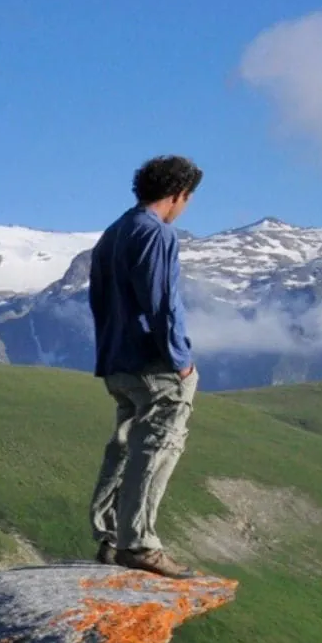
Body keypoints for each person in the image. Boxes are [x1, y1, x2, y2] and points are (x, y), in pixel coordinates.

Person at [87, 155, 203, 579]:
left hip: (117, 360)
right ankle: (139, 543)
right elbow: (162, 302)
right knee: (158, 445)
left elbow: (99, 300)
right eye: (187, 199)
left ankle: (110, 537)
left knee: (124, 445)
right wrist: (181, 361)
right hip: (153, 363)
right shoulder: (157, 234)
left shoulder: (113, 232)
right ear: (177, 195)